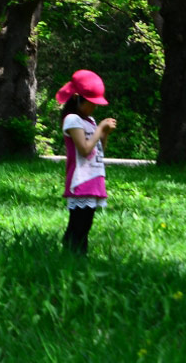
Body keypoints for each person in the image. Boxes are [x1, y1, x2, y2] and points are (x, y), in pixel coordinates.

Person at [58, 69, 117, 255]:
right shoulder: (72, 119)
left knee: (86, 222)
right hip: (80, 179)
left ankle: (73, 254)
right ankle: (74, 255)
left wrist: (104, 134)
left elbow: (98, 150)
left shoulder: (90, 120)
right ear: (78, 99)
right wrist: (100, 128)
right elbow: (83, 149)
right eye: (91, 103)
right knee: (80, 223)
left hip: (94, 176)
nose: (94, 108)